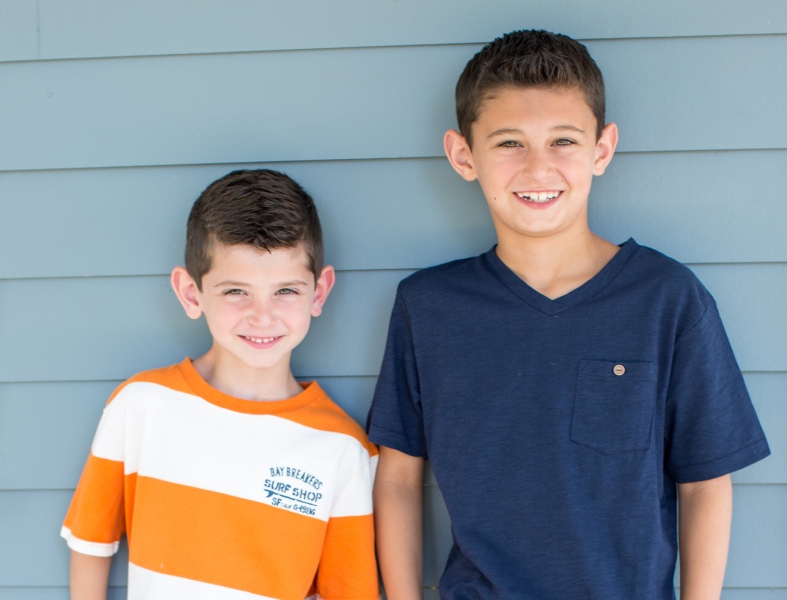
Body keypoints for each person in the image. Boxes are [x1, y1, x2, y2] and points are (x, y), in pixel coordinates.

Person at [367, 29, 770, 599]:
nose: (538, 168)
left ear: (602, 150)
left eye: (563, 141)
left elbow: (706, 483)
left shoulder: (666, 299)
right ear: (464, 155)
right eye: (509, 143)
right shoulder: (428, 307)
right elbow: (400, 479)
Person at [62, 169, 379, 599]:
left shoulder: (343, 448)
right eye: (236, 292)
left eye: (286, 290)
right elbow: (90, 542)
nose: (262, 316)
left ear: (319, 293)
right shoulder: (141, 406)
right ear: (192, 294)